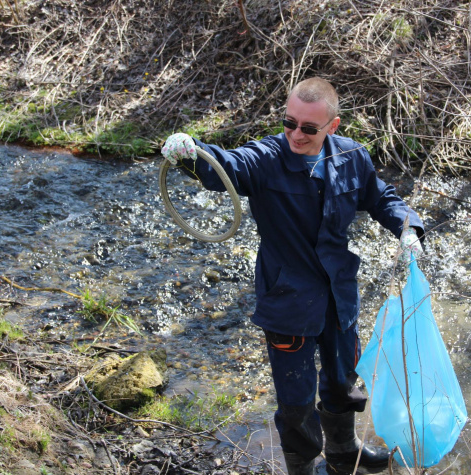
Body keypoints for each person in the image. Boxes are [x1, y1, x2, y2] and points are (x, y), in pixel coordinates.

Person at [161, 77, 424, 475]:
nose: (296, 134)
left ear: (332, 126)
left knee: (343, 379)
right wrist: (190, 153)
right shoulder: (265, 158)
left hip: (339, 294)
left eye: (308, 128)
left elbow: (381, 197)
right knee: (296, 398)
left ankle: (343, 453)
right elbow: (225, 167)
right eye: (289, 122)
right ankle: (302, 469)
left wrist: (407, 227)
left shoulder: (352, 156)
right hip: (287, 298)